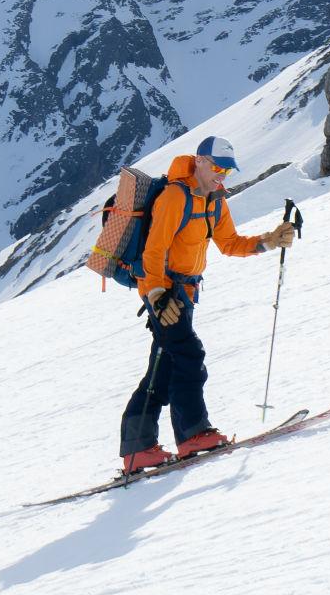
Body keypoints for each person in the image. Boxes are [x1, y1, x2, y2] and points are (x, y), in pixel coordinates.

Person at [118, 135, 298, 472]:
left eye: (228, 169)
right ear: (199, 161)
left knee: (165, 366)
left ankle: (137, 449)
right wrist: (156, 295)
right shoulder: (174, 197)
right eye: (217, 167)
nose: (222, 175)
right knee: (189, 354)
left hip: (184, 293)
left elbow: (229, 243)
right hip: (164, 292)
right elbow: (153, 250)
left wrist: (268, 241)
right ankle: (193, 434)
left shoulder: (215, 201)